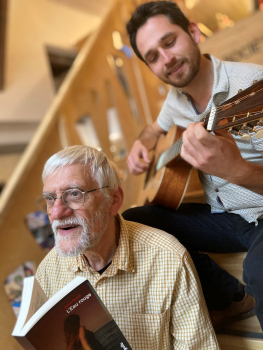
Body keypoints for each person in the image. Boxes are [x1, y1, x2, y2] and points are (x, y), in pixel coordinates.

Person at [122, 0, 263, 329]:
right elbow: (156, 127)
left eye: (169, 42)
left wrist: (237, 169)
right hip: (224, 217)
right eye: (153, 57)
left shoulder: (253, 88)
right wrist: (144, 142)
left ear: (194, 32)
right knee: (135, 222)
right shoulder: (176, 100)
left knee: (257, 270)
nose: (167, 59)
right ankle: (233, 298)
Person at [35, 145, 219, 349]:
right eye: (50, 199)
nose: (57, 212)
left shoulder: (169, 258)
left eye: (75, 194)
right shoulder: (47, 271)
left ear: (113, 200)